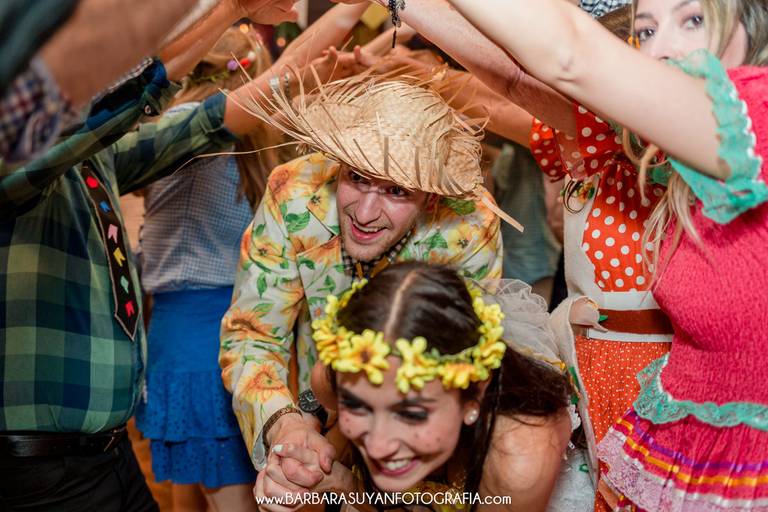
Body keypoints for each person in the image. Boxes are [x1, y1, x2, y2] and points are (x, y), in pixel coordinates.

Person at [444, 0, 768, 510]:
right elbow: (515, 81)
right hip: (672, 424)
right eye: (646, 32)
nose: (660, 51)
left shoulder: (756, 117)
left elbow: (566, 56)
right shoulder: (669, 150)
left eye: (693, 20)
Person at [0, 0, 322, 509]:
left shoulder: (95, 157)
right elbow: (140, 94)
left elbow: (201, 120)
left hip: (105, 450)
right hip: (39, 463)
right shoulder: (20, 149)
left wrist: (233, 11)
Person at [134, 3, 372, 508]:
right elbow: (283, 83)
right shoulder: (231, 135)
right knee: (224, 487)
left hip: (198, 327)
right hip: (229, 326)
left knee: (198, 485)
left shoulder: (203, 131)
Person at [219, 75, 504, 482]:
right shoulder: (295, 191)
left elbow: (455, 373)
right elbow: (253, 333)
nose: (365, 214)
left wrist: (335, 438)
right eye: (357, 177)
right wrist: (285, 424)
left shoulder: (468, 225)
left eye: (397, 191)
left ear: (432, 196)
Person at [255, 261, 574, 511]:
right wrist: (307, 438)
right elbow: (319, 399)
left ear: (473, 397)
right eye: (356, 405)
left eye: (411, 414)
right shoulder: (340, 371)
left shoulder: (520, 455)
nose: (378, 447)